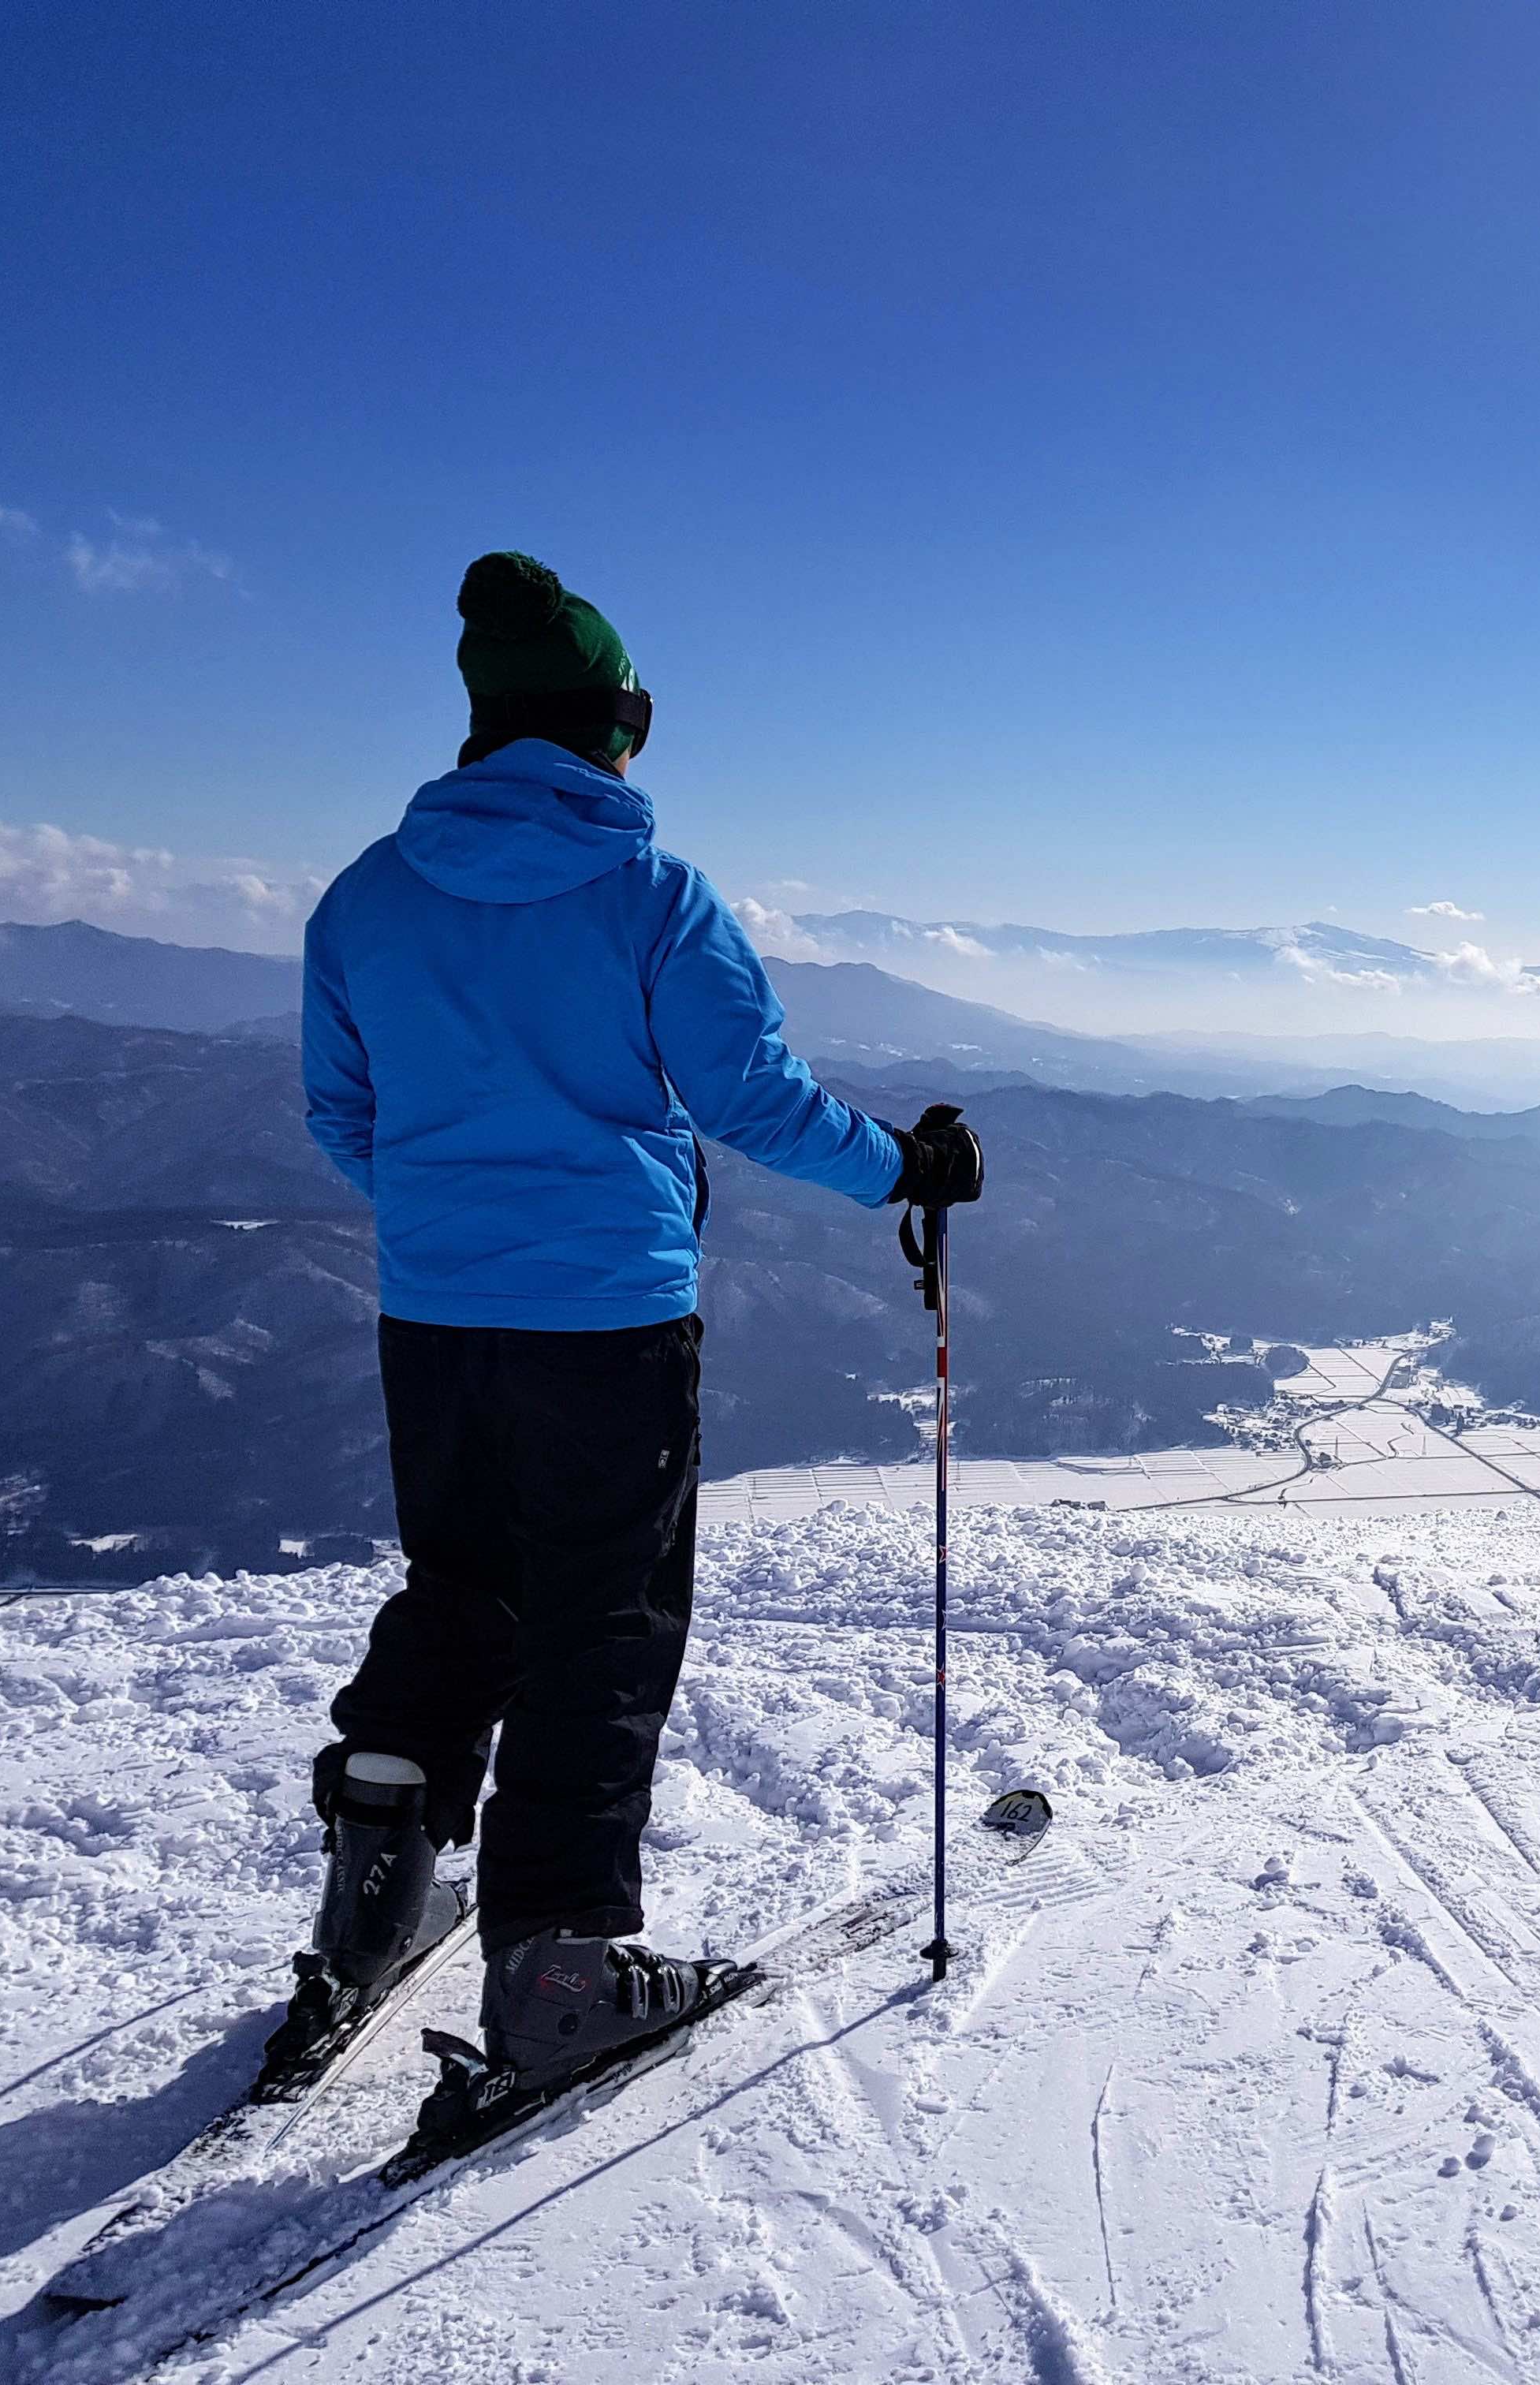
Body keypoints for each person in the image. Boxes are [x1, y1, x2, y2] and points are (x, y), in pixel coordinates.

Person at [293, 551, 981, 2088]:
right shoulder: (649, 895)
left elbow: (351, 1119)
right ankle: (555, 1965)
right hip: (606, 1322)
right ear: (617, 726)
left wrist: (452, 1214)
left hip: (436, 1316)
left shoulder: (366, 898)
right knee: (598, 1623)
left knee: (463, 1591)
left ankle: (373, 1902)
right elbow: (750, 1100)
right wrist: (906, 1170)